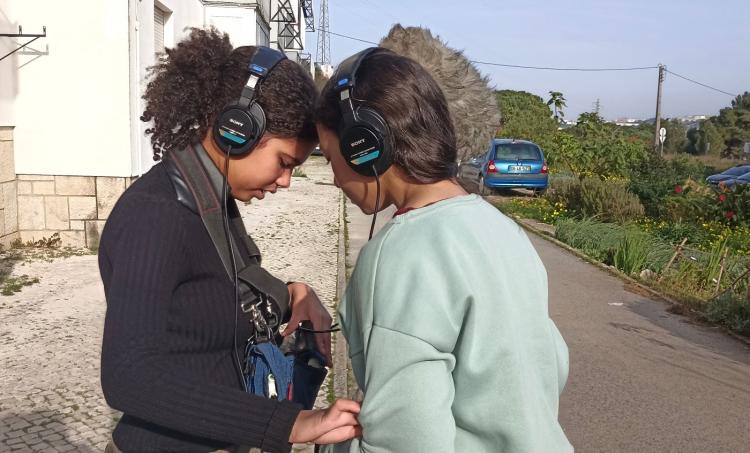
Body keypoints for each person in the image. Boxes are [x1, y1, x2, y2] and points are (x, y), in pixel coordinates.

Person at [98, 28, 360, 453]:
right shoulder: (157, 215)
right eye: (284, 162)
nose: (286, 181)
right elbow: (129, 376)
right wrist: (290, 424)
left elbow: (215, 295)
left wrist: (295, 294)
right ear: (237, 128)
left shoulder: (208, 200)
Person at [315, 47, 573, 452]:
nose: (334, 180)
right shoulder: (506, 231)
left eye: (332, 158)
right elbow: (548, 366)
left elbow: (406, 437)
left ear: (363, 145)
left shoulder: (399, 254)